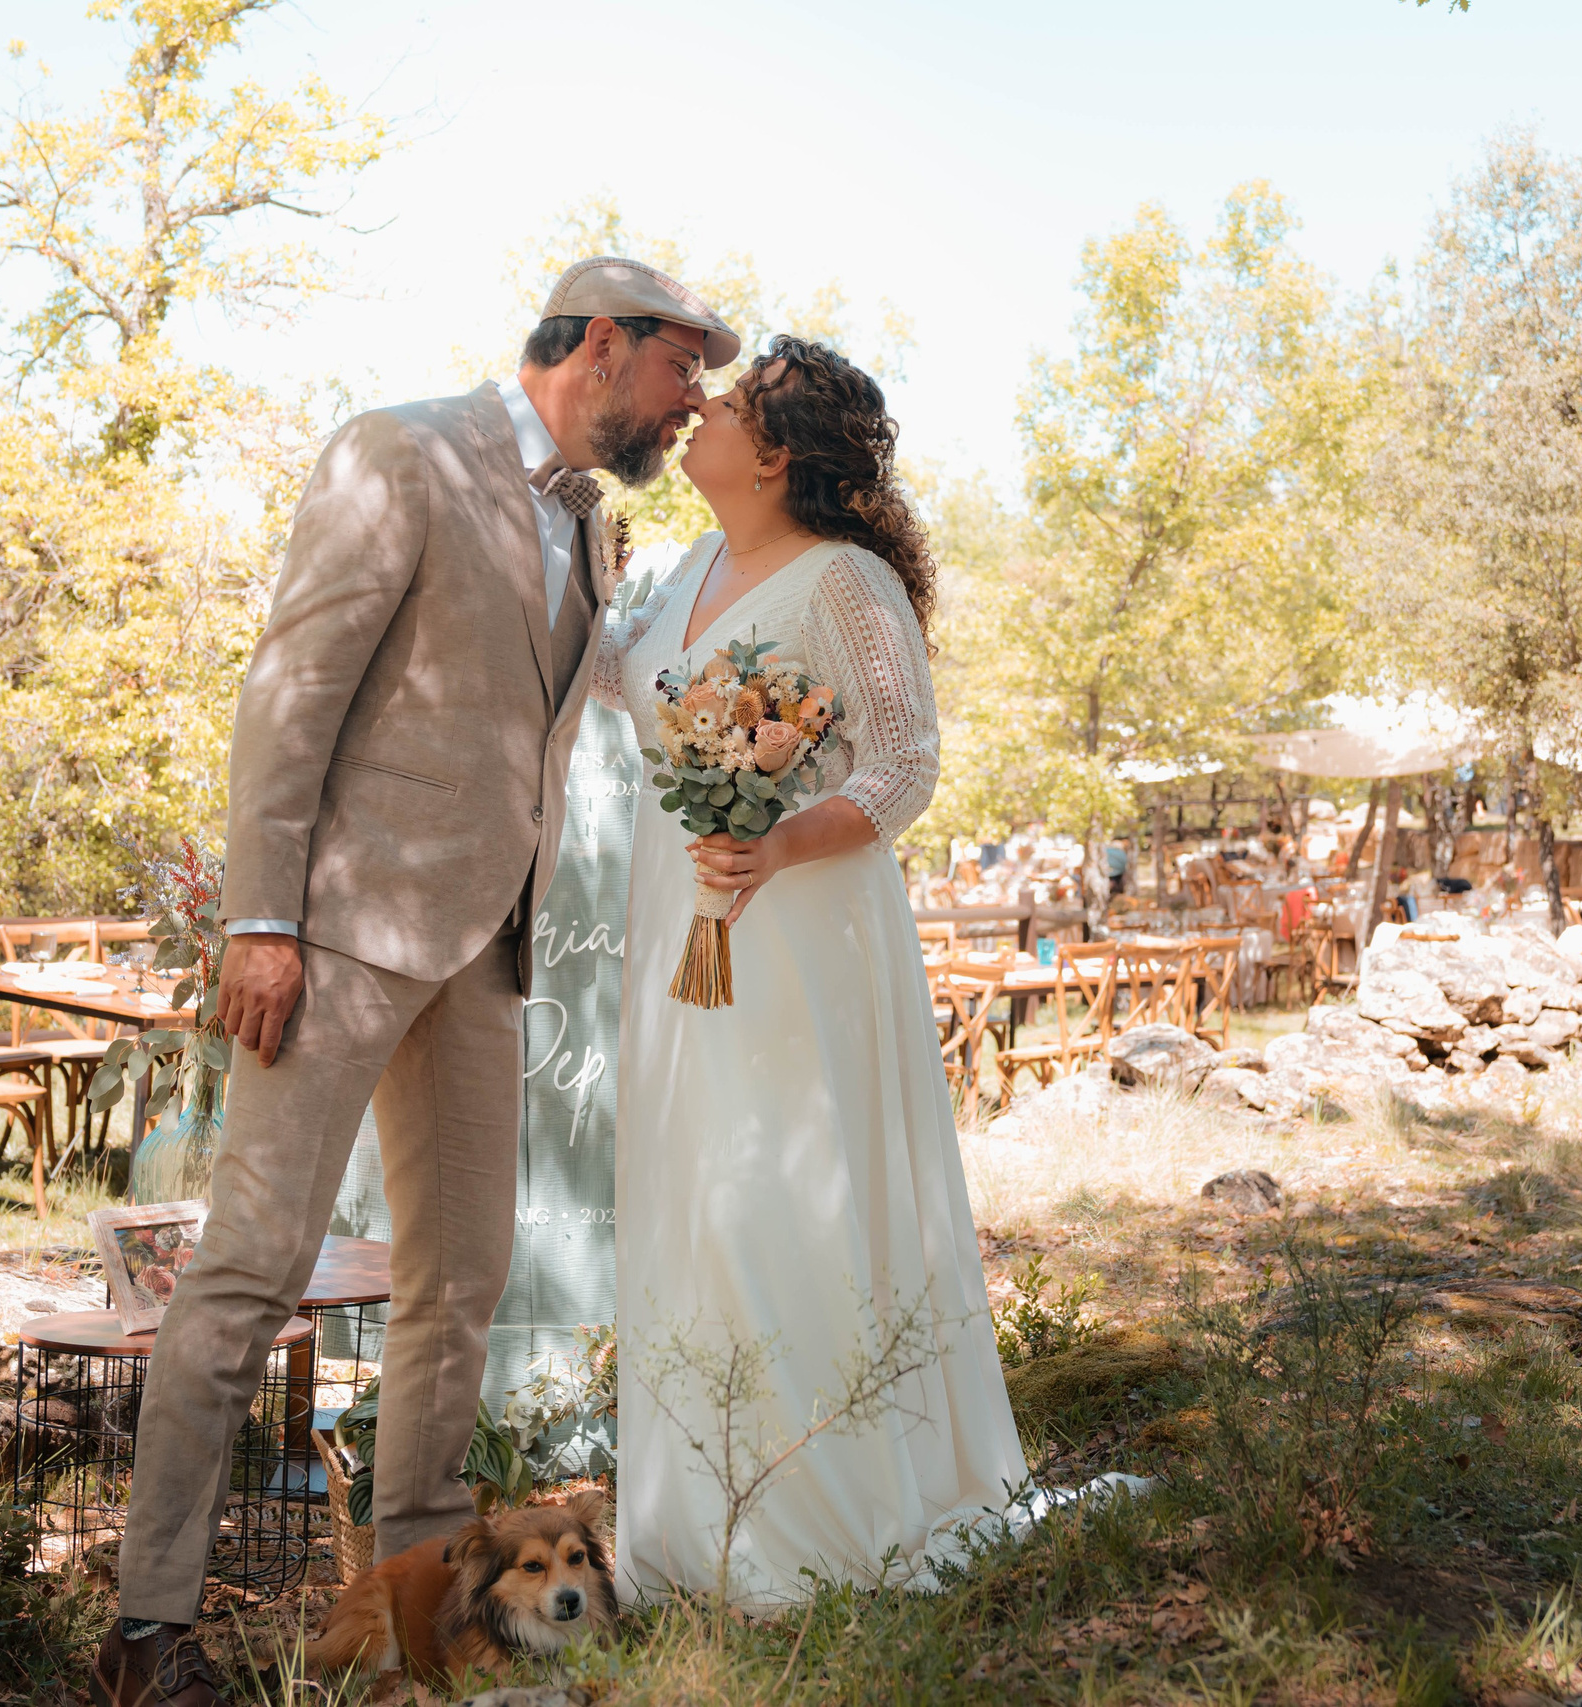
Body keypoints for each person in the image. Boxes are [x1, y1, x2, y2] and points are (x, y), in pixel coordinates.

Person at [92, 258, 739, 1707]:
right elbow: (291, 690)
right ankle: (147, 1631)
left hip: (487, 951)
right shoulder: (400, 451)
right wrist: (261, 918)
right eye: (679, 369)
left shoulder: (592, 524)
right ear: (603, 342)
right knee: (250, 1271)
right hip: (334, 935)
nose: (690, 402)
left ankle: (419, 1619)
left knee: (462, 1283)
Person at [594, 336, 1030, 1605]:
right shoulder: (686, 569)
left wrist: (777, 842)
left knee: (780, 1190)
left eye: (728, 404)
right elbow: (619, 680)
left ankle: (817, 1518)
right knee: (695, 1190)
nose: (699, 411)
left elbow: (904, 764)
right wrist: (566, 561)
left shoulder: (846, 582)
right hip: (680, 919)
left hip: (799, 929)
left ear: (776, 454)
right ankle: (696, 1524)